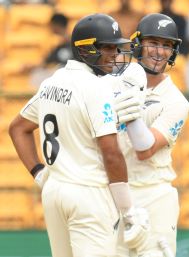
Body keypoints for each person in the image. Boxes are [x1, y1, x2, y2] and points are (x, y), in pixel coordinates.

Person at [8, 13, 149, 257]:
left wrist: (39, 174)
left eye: (116, 48)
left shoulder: (52, 81)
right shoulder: (96, 88)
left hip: (55, 192)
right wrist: (128, 210)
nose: (116, 56)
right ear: (85, 50)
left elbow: (17, 128)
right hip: (89, 194)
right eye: (108, 49)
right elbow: (111, 154)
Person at [113, 13, 189, 257]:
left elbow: (145, 151)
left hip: (154, 195)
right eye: (154, 43)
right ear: (138, 44)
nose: (160, 52)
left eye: (167, 45)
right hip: (114, 193)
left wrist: (130, 112)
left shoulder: (177, 101)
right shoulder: (113, 83)